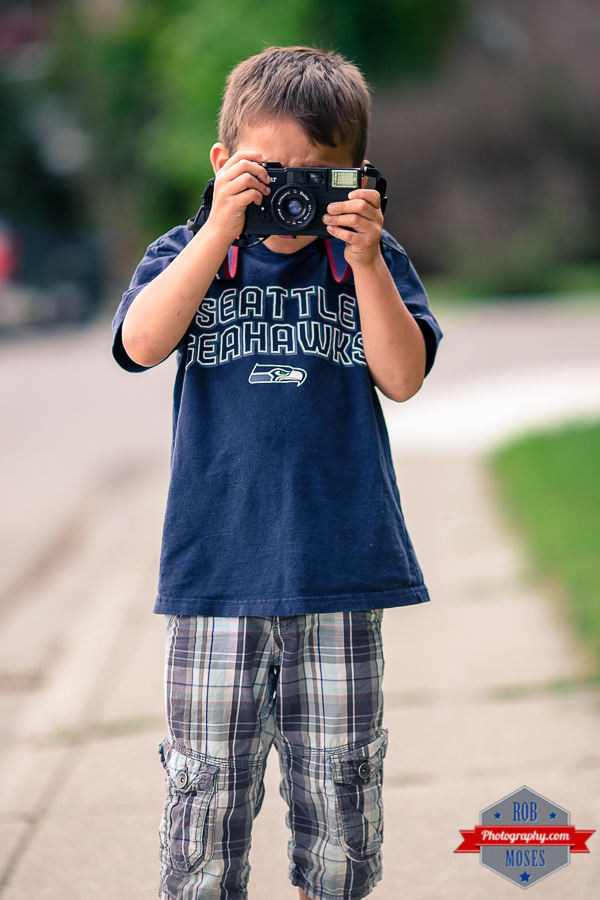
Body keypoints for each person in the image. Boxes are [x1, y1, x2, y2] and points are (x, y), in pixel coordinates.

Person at [112, 45, 442, 900]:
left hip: (339, 570)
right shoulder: (192, 252)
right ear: (224, 164)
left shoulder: (364, 261)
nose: (293, 194)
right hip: (215, 576)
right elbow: (141, 344)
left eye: (318, 176)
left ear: (358, 179)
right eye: (269, 171)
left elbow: (403, 378)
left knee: (341, 794)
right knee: (204, 797)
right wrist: (220, 229)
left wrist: (366, 260)